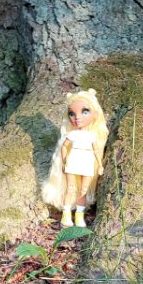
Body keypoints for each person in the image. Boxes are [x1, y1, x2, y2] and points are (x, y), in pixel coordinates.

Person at [42, 89, 108, 227]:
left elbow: (96, 151)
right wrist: (64, 160)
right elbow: (64, 147)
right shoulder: (72, 135)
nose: (77, 117)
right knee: (71, 188)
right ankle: (66, 215)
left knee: (83, 190)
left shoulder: (92, 136)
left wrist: (100, 165)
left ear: (95, 114)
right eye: (72, 114)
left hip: (87, 162)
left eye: (85, 112)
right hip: (73, 161)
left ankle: (79, 215)